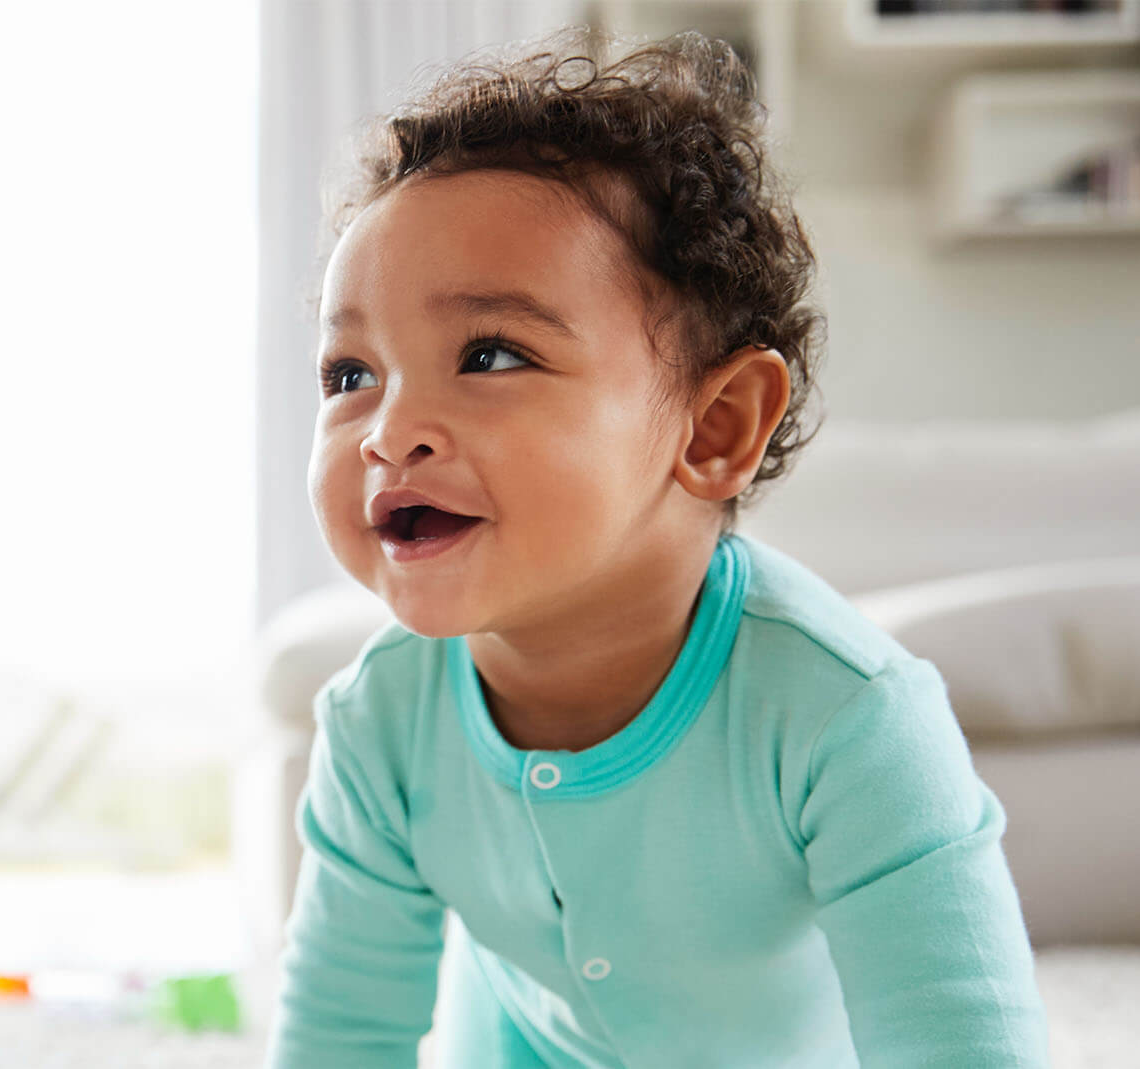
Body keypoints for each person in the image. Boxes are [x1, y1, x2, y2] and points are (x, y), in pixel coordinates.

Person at [265, 28, 1048, 1068]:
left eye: (488, 354)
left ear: (713, 426)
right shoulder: (378, 725)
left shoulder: (848, 720)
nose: (385, 428)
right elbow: (338, 1034)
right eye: (348, 373)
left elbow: (961, 1044)